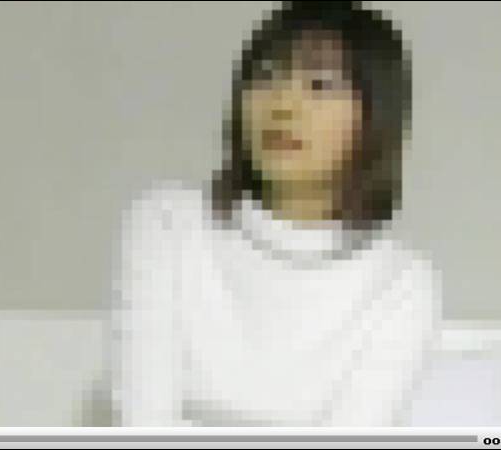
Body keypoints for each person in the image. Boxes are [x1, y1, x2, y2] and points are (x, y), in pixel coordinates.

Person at [111, 1, 441, 426]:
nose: (283, 104)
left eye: (320, 84)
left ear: (375, 119)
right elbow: (143, 426)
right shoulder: (167, 224)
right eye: (265, 76)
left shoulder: (401, 284)